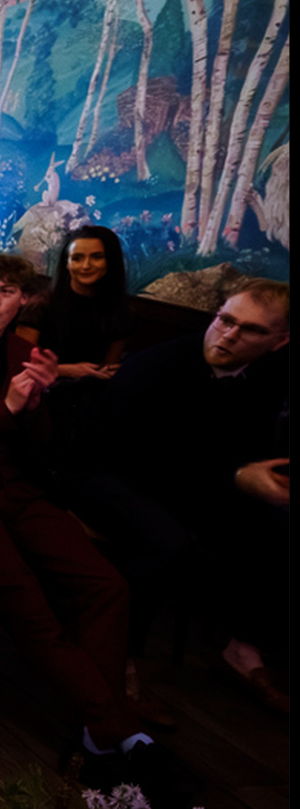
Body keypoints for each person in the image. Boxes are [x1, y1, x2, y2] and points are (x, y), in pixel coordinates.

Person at [0, 254, 157, 769]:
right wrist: (7, 408)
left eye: (5, 291)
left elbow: (42, 443)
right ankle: (116, 723)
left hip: (20, 488)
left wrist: (39, 400)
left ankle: (100, 722)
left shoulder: (30, 350)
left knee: (107, 585)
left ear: (23, 301)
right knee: (29, 606)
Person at [73, 282, 291, 711]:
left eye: (249, 330)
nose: (228, 335)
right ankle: (120, 657)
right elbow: (135, 456)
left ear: (278, 342)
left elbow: (248, 441)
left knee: (275, 526)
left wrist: (256, 475)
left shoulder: (271, 374)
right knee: (169, 544)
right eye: (225, 320)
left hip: (195, 482)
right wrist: (237, 475)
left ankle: (242, 648)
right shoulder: (160, 365)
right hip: (108, 475)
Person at [35, 225, 133, 377]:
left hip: (92, 388)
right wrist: (67, 371)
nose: (86, 266)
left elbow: (109, 366)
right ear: (67, 263)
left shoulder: (122, 311)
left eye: (97, 257)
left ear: (110, 261)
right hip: (42, 387)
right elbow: (20, 364)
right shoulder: (40, 306)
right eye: (77, 258)